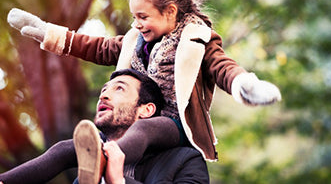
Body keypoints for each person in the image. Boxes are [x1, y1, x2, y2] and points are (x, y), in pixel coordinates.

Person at [7, 0, 282, 164]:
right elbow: (97, 47)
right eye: (133, 17)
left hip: (172, 125)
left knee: (144, 131)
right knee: (65, 149)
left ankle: (105, 160)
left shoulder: (198, 41)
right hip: (134, 118)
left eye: (143, 16)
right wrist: (48, 33)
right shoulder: (134, 41)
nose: (136, 23)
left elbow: (222, 67)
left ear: (171, 12)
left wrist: (244, 84)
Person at [0, 69, 209, 184]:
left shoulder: (185, 160)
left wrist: (118, 181)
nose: (104, 94)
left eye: (119, 89)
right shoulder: (84, 178)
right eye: (104, 89)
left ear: (146, 109)